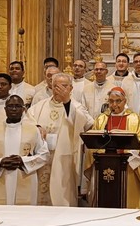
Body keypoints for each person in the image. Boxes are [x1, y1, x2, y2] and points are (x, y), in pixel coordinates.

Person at [24, 73, 93, 207]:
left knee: (62, 195)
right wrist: (36, 127)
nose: (59, 89)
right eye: (56, 86)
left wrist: (67, 102)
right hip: (42, 158)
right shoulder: (39, 106)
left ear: (71, 88)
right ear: (51, 86)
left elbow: (87, 123)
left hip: (63, 158)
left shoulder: (76, 106)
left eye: (64, 86)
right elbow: (27, 122)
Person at [85, 88, 140, 208]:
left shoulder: (134, 118)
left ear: (125, 101)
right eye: (111, 101)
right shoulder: (102, 119)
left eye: (118, 101)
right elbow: (93, 142)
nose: (114, 105)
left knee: (127, 199)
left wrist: (130, 151)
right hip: (104, 164)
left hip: (128, 166)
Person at [0, 95, 49, 205]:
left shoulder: (33, 130)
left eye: (17, 106)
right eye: (10, 106)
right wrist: (0, 162)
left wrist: (23, 161)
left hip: (25, 175)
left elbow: (44, 154)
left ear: (23, 109)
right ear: (5, 109)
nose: (13, 109)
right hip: (1, 175)